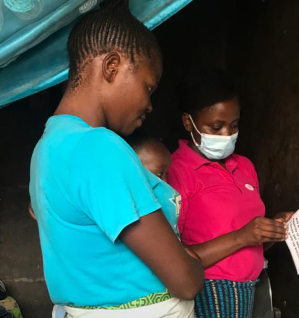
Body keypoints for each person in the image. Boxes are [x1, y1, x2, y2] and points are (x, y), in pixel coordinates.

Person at [29, 1, 203, 317]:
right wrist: (193, 265)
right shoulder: (97, 146)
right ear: (112, 66)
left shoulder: (47, 147)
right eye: (148, 87)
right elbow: (185, 283)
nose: (149, 105)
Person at [168, 69, 294, 318]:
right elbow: (173, 259)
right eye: (216, 126)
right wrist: (243, 235)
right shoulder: (175, 171)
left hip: (252, 291)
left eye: (234, 125)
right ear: (187, 122)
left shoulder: (245, 166)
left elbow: (252, 243)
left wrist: (272, 229)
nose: (227, 134)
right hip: (210, 296)